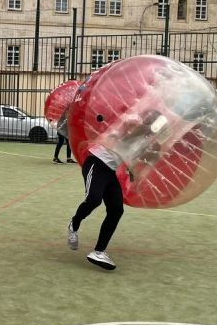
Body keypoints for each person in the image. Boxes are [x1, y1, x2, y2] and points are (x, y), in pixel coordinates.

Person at [66, 110, 164, 271]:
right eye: (156, 122)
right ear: (148, 118)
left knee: (116, 209)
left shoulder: (146, 140)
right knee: (94, 199)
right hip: (97, 162)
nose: (157, 127)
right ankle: (73, 225)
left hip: (110, 170)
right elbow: (127, 138)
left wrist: (138, 169)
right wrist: (148, 132)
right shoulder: (133, 121)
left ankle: (99, 251)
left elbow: (132, 156)